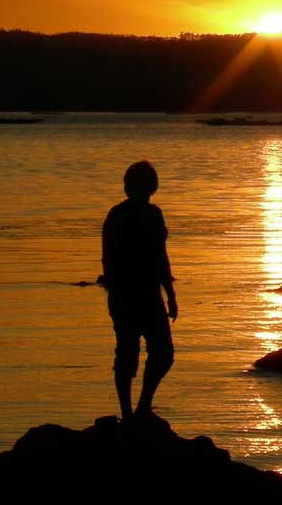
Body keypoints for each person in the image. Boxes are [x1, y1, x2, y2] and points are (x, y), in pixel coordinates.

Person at [101, 160, 177, 421]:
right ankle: (126, 413)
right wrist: (117, 288)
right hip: (126, 295)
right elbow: (108, 257)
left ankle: (143, 405)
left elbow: (161, 256)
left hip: (150, 294)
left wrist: (171, 294)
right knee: (127, 354)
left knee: (163, 353)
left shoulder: (154, 214)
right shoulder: (117, 215)